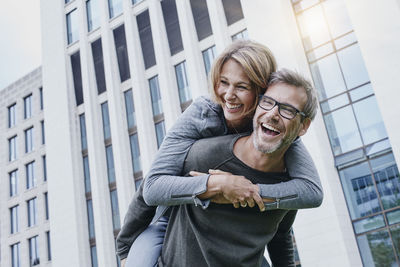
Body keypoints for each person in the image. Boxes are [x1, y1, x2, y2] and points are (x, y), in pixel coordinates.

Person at [116, 40, 323, 266]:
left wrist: (251, 192)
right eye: (223, 82)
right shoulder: (203, 115)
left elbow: (308, 193)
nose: (228, 95)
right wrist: (218, 185)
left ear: (261, 90)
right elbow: (153, 185)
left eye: (241, 87)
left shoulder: (279, 132)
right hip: (173, 213)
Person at [157, 68, 318, 266]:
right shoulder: (206, 153)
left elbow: (281, 233)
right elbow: (150, 187)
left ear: (303, 126)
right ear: (257, 105)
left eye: (288, 110)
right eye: (268, 102)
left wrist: (251, 193)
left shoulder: (289, 182)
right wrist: (213, 184)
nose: (273, 114)